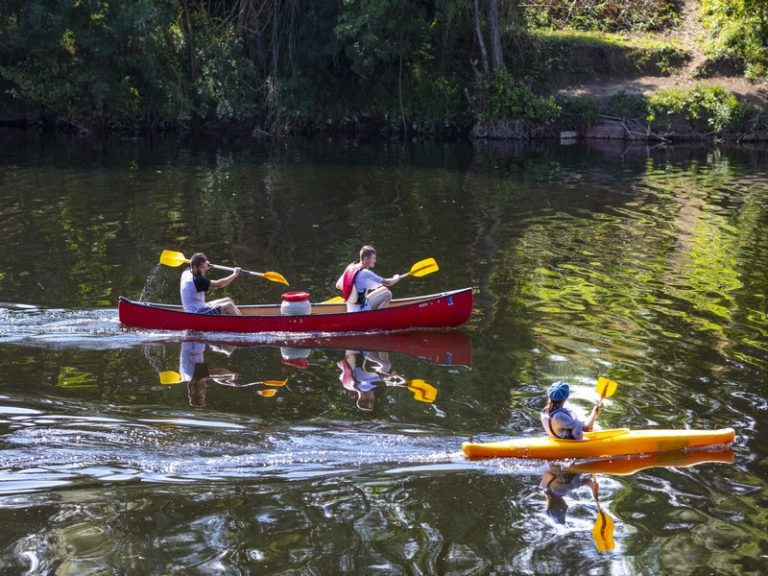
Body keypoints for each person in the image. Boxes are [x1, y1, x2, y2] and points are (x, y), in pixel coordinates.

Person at [335, 245, 400, 312]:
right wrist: (396, 278)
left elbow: (338, 285)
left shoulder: (351, 267)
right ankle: (376, 318)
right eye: (373, 258)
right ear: (366, 259)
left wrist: (351, 296)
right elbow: (388, 283)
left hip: (351, 309)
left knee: (384, 289)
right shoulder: (365, 273)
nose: (375, 260)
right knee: (388, 294)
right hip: (360, 310)